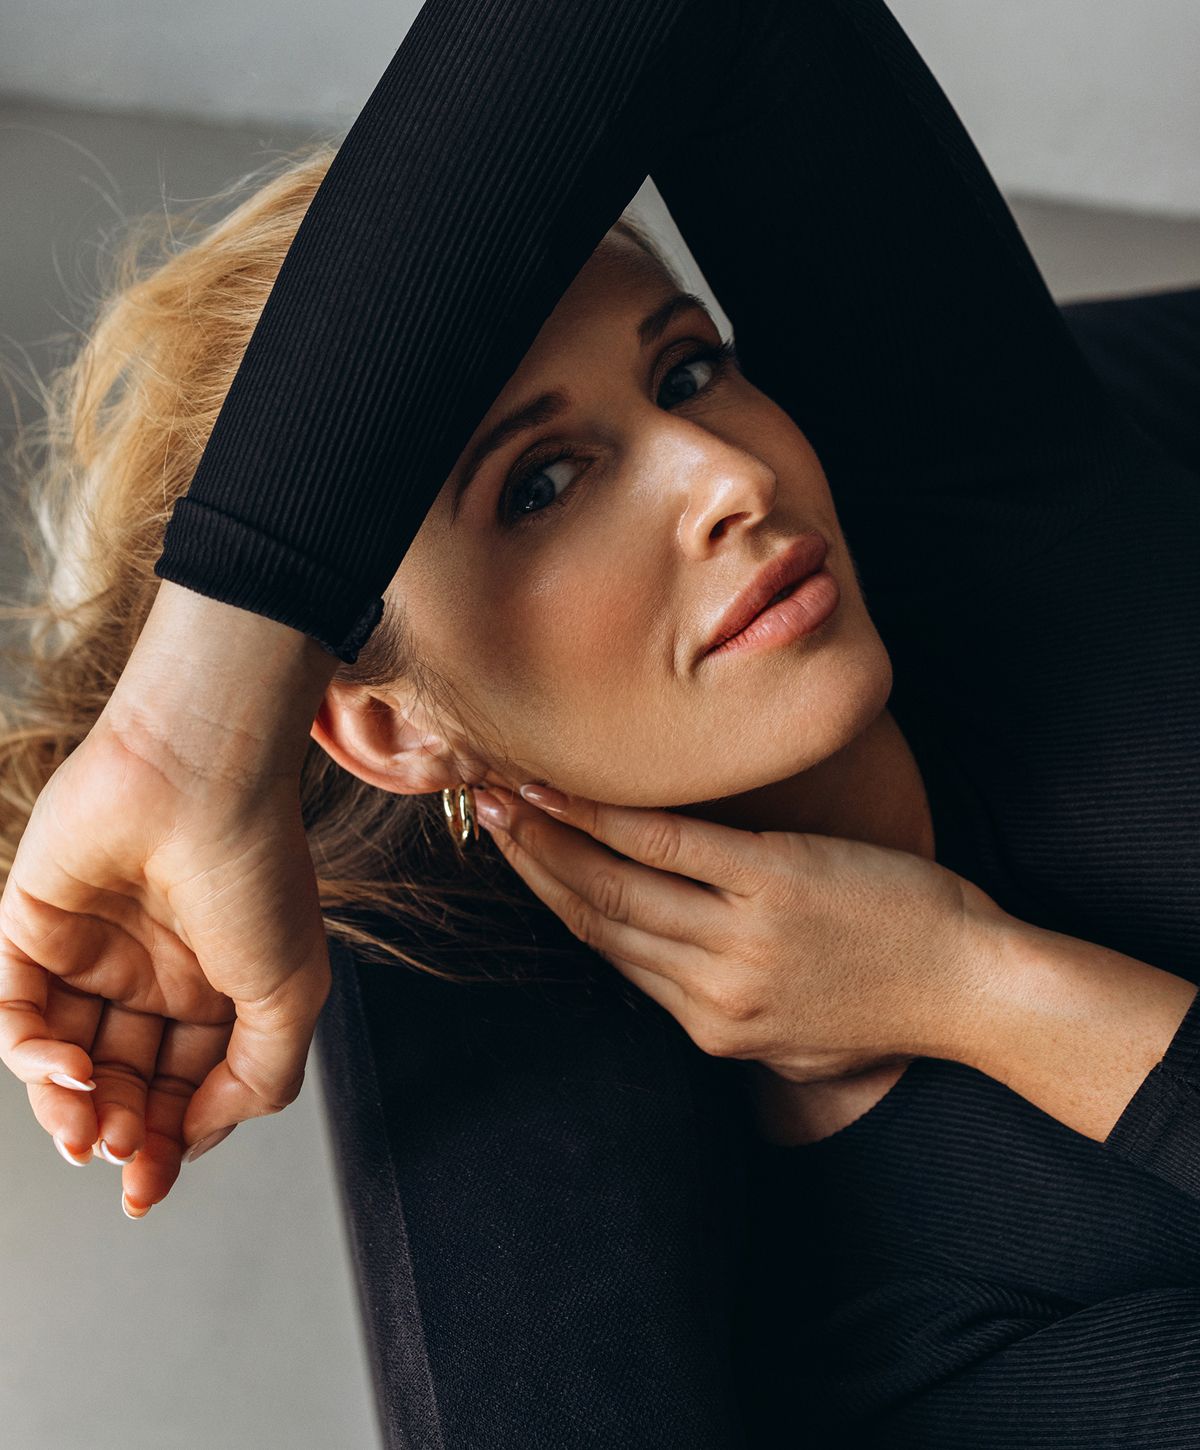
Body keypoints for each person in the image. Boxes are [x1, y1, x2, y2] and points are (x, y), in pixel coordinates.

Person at [0, 0, 1198, 1441]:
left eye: (688, 368)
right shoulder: (913, 1338)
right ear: (390, 733)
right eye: (542, 487)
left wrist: (188, 722)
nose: (726, 476)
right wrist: (984, 992)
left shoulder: (989, 499)